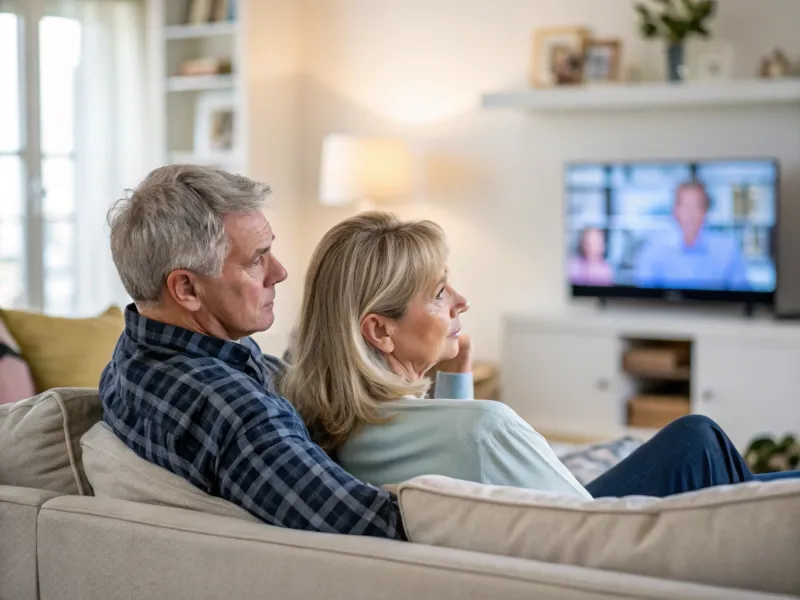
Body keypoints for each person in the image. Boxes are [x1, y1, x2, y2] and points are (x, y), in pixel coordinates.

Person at [282, 211, 799, 498]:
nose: (463, 302)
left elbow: (453, 455)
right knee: (695, 437)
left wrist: (457, 374)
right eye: (441, 294)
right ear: (380, 330)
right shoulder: (489, 429)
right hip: (597, 538)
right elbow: (579, 515)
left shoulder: (336, 424)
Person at [100, 165, 402, 539]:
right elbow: (373, 525)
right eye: (256, 260)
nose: (279, 272)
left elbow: (279, 382)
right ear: (187, 289)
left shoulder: (133, 354)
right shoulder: (235, 412)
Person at [634, 182, 750, 290]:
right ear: (675, 212)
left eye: (696, 206)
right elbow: (643, 297)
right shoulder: (653, 249)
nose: (690, 214)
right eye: (685, 206)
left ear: (705, 211)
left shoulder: (728, 249)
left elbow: (744, 296)